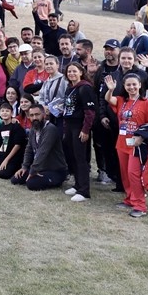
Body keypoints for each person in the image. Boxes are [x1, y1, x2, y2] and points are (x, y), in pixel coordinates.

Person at [104, 74, 148, 218]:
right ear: (124, 87)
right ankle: (130, 199)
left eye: (134, 84)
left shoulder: (146, 103)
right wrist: (110, 90)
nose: (132, 87)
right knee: (125, 175)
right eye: (128, 85)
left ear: (140, 85)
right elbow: (109, 99)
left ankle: (140, 205)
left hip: (137, 145)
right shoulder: (122, 100)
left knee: (133, 174)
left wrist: (141, 136)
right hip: (122, 143)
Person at [58, 62, 98, 202]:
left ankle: (84, 191)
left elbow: (90, 112)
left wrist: (85, 130)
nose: (71, 74)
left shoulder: (85, 88)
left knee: (81, 158)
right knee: (72, 156)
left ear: (81, 72)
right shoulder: (70, 88)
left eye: (74, 71)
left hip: (79, 127)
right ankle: (77, 185)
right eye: (69, 71)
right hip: (69, 126)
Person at [12, 103, 69, 191]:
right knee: (16, 179)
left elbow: (43, 152)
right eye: (31, 115)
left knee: (31, 184)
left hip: (55, 170)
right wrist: (24, 167)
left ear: (44, 115)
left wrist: (32, 170)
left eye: (37, 114)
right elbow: (29, 149)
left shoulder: (50, 129)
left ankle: (56, 181)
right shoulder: (33, 129)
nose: (34, 118)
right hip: (41, 168)